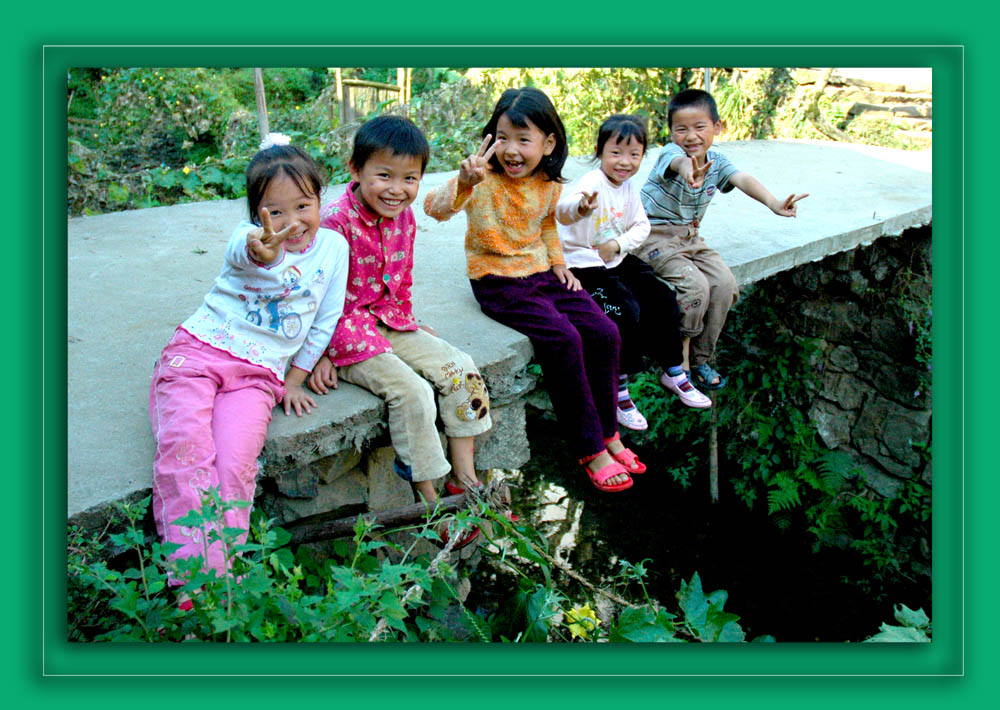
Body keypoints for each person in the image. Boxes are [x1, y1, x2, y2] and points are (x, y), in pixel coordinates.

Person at [149, 134, 350, 594]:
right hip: (198, 354)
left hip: (257, 377)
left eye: (303, 206)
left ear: (321, 198)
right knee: (186, 453)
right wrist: (266, 249)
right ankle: (192, 588)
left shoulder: (335, 249)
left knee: (235, 466)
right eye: (275, 211)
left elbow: (325, 320)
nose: (292, 222)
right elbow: (253, 249)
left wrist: (295, 379)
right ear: (256, 214)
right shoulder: (248, 240)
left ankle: (219, 583)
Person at [424, 87, 645, 494]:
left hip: (542, 273)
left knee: (604, 332)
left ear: (548, 144)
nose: (511, 150)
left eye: (523, 140)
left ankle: (610, 432)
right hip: (496, 280)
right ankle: (590, 449)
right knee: (562, 338)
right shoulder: (481, 179)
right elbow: (434, 208)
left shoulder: (546, 183)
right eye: (503, 137)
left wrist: (560, 265)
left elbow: (546, 225)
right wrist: (462, 182)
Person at [307, 115, 493, 546]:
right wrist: (314, 355)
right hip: (343, 331)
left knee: (460, 367)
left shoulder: (404, 218)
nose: (397, 188)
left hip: (390, 319)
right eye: (384, 175)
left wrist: (411, 322)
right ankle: (430, 504)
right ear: (355, 170)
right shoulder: (335, 224)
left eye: (410, 178)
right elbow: (311, 294)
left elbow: (402, 276)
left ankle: (464, 480)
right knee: (411, 393)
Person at [636, 89, 808, 389]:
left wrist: (773, 202)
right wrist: (689, 171)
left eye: (700, 127)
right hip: (652, 237)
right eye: (681, 129)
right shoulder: (671, 154)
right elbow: (680, 163)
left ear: (717, 127)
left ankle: (701, 359)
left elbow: (741, 179)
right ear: (671, 131)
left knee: (725, 285)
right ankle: (678, 365)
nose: (691, 136)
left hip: (690, 238)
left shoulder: (716, 160)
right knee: (695, 288)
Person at [556, 114, 712, 432]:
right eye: (616, 153)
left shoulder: (627, 189)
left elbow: (642, 226)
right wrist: (581, 208)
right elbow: (563, 210)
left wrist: (618, 243)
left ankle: (673, 369)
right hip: (583, 261)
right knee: (624, 310)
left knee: (663, 296)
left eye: (634, 154)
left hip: (615, 256)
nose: (624, 162)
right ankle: (619, 386)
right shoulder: (591, 183)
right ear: (600, 151)